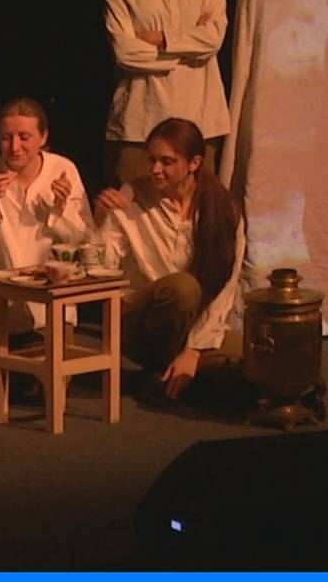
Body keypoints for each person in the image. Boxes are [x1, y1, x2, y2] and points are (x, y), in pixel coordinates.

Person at [93, 117, 246, 403]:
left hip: (192, 329)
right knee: (182, 287)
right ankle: (174, 372)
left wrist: (194, 351)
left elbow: (226, 287)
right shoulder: (133, 196)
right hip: (139, 323)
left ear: (194, 163)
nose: (155, 169)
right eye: (152, 160)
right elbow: (101, 267)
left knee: (255, 356)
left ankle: (169, 378)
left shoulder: (222, 208)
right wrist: (100, 220)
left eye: (167, 162)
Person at [0, 98, 94, 396]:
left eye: (24, 137)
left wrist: (59, 212)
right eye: (6, 138)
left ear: (43, 138)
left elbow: (84, 244)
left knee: (44, 390)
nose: (15, 147)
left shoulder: (62, 170)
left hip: (48, 312)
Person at [103, 0, 231, 187]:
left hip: (200, 119)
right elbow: (125, 53)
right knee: (132, 205)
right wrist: (188, 52)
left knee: (197, 203)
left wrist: (162, 39)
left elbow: (213, 39)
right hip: (139, 124)